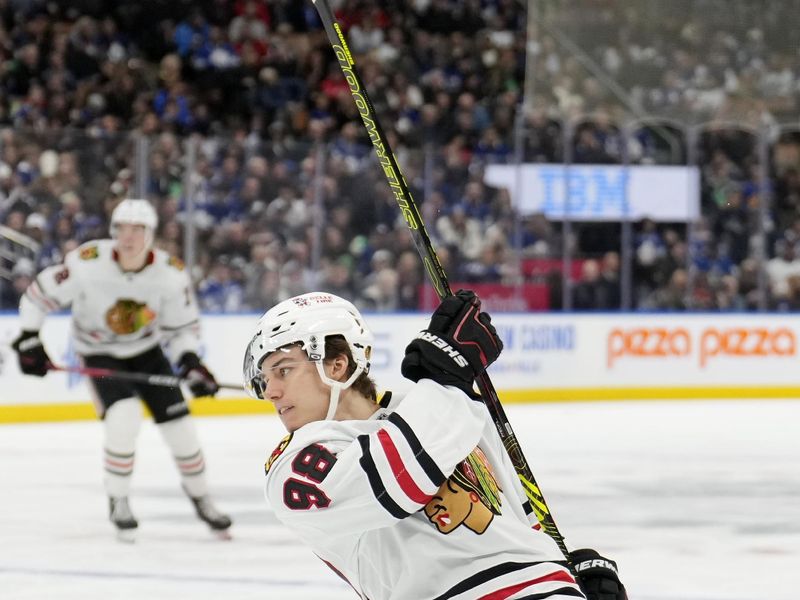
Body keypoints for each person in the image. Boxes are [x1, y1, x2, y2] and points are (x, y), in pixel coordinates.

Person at [243, 290, 626, 599]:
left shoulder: (447, 407)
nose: (271, 391)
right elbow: (397, 481)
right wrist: (446, 379)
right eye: (266, 378)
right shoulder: (292, 464)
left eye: (283, 370)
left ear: (336, 365)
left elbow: (521, 518)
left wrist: (572, 569)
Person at [11, 198, 232, 541]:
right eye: (121, 229)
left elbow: (181, 329)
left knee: (182, 429)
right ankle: (119, 500)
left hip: (147, 351)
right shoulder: (88, 263)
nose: (128, 237)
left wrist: (191, 361)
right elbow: (39, 295)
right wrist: (28, 337)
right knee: (123, 418)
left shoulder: (170, 274)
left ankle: (202, 497)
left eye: (138, 229)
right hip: (98, 353)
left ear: (151, 234)